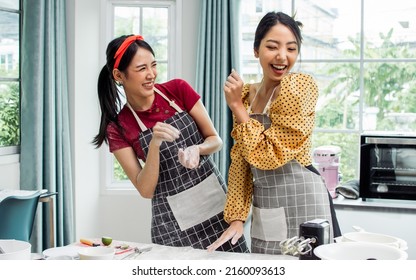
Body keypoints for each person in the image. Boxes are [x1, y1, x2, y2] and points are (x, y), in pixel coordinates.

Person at [93, 34, 249, 253]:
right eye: (141, 69)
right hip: (173, 227)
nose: (151, 74)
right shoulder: (118, 127)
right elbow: (146, 189)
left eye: (153, 65)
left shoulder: (177, 90)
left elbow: (215, 140)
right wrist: (154, 144)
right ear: (119, 75)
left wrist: (198, 148)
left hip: (219, 212)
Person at [207, 12, 341, 254]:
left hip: (305, 202)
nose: (282, 56)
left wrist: (236, 107)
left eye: (291, 48)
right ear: (256, 50)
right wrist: (237, 217)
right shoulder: (247, 95)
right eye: (272, 47)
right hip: (267, 204)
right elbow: (241, 162)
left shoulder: (298, 88)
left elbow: (268, 156)